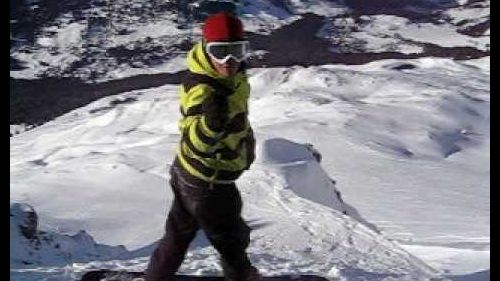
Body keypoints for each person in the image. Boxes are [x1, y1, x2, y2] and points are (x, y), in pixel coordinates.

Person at [145, 11, 260, 281]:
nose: (230, 61)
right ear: (206, 50)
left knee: (179, 232)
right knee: (231, 237)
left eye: (237, 50)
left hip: (186, 172)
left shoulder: (228, 76)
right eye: (221, 51)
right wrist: (210, 126)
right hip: (208, 180)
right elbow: (195, 141)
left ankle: (156, 276)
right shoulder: (205, 91)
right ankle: (243, 276)